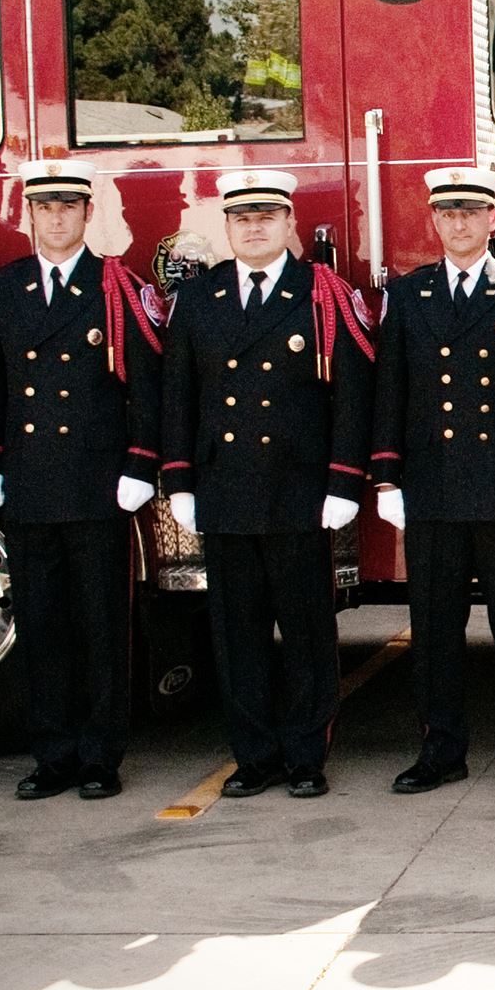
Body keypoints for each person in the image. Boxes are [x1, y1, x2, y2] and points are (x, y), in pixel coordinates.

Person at [157, 170, 374, 799]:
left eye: (266, 217)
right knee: (237, 636)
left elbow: (351, 396)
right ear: (227, 226)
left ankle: (306, 756)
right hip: (225, 490)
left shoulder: (323, 294)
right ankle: (253, 756)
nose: (253, 228)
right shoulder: (198, 298)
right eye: (242, 219)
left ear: (289, 224)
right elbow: (179, 396)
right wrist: (180, 481)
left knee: (307, 635)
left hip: (297, 491)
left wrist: (343, 482)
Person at [370, 166, 495, 794]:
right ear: (434, 220)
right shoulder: (408, 296)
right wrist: (387, 479)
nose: (459, 224)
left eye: (471, 213)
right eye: (447, 213)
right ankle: (440, 751)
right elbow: (390, 392)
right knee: (434, 630)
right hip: (432, 485)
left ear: (494, 219)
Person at [0, 161, 164, 801]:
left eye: (68, 206)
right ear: (29, 214)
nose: (56, 217)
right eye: (45, 207)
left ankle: (101, 757)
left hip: (95, 484)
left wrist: (139, 464)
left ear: (88, 213)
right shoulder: (4, 290)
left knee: (102, 628)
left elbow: (146, 387)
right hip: (29, 483)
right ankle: (52, 756)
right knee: (42, 627)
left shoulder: (117, 287)